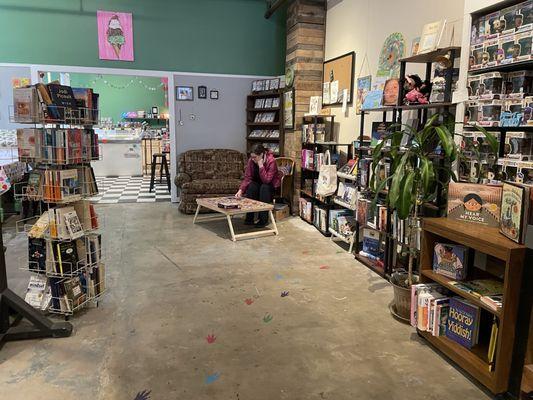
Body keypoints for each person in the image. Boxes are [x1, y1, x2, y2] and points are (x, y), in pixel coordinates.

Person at [235, 144, 282, 227]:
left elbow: (267, 180)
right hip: (258, 183)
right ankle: (249, 218)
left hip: (269, 185)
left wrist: (261, 166)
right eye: (251, 157)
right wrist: (241, 190)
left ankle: (263, 220)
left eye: (255, 157)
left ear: (261, 154)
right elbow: (247, 177)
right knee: (251, 187)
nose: (253, 159)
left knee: (264, 188)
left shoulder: (271, 161)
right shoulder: (251, 161)